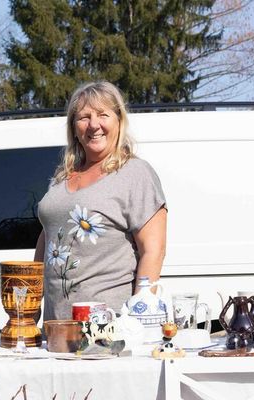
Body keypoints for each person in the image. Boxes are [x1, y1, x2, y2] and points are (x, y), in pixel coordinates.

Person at [34, 81, 167, 321]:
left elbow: (153, 251)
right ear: (74, 127)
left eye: (103, 115)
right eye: (84, 117)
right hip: (56, 327)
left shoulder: (134, 173)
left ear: (119, 121)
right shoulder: (60, 176)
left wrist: (137, 321)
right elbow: (48, 234)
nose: (94, 125)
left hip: (107, 330)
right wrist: (30, 308)